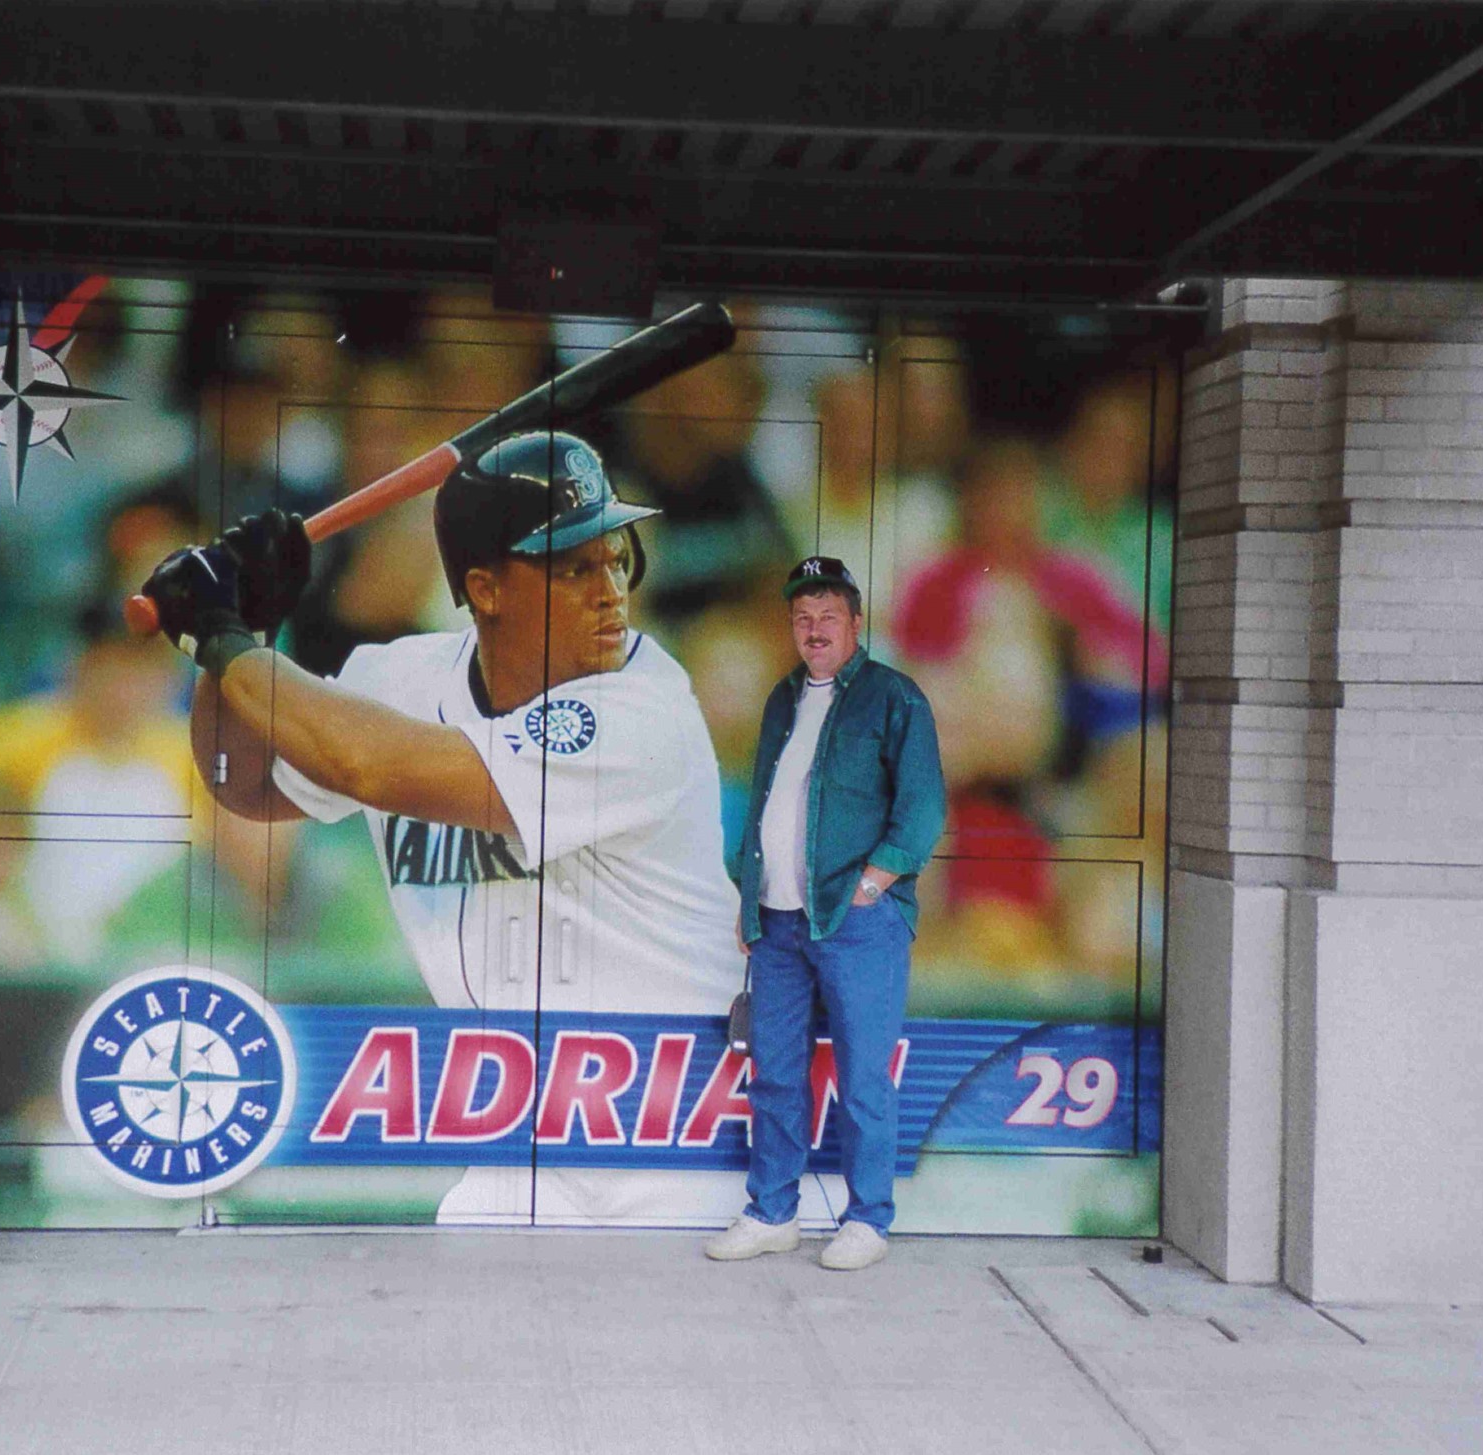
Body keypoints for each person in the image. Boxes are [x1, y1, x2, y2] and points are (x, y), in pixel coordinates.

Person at [137, 430, 746, 1226]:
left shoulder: (645, 711)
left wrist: (222, 637)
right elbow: (241, 783)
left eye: (615, 557)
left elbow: (372, 765)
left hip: (683, 1122)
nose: (610, 591)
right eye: (572, 566)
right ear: (486, 589)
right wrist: (243, 640)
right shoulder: (401, 677)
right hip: (522, 1134)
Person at [704, 555, 945, 1270]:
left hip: (856, 919)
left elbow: (922, 808)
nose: (814, 630)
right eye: (803, 618)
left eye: (828, 617)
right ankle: (773, 1210)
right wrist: (751, 904)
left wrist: (872, 883)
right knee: (776, 1071)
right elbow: (765, 805)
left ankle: (868, 1218)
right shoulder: (782, 699)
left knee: (863, 1073)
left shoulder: (893, 697)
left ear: (855, 623)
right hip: (777, 924)